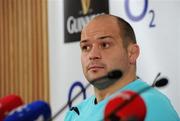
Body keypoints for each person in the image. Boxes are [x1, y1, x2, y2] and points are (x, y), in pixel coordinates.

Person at [64, 14, 180, 121]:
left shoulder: (151, 106)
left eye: (105, 45)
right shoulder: (74, 114)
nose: (92, 55)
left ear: (132, 53)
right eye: (86, 47)